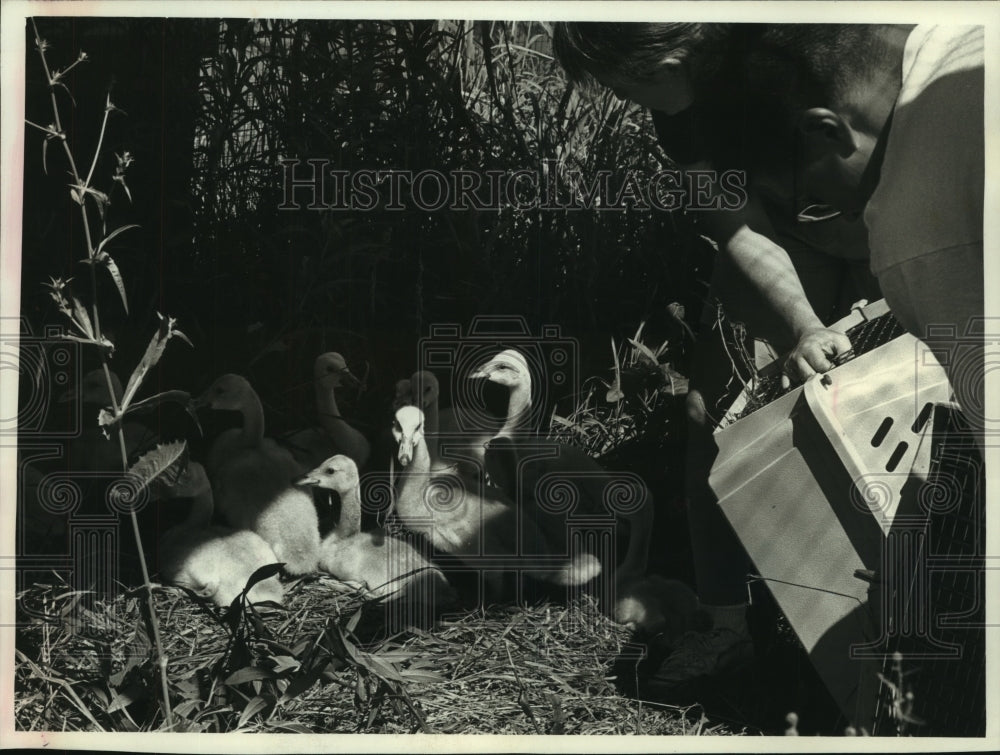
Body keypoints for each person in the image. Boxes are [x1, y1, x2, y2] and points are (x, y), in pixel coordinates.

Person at [552, 22, 881, 691]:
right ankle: (726, 625)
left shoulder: (809, 56)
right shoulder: (680, 121)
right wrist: (803, 328)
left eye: (621, 82)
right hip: (790, 242)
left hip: (892, 226)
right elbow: (739, 228)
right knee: (713, 405)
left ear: (671, 60)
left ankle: (889, 622)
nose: (621, 98)